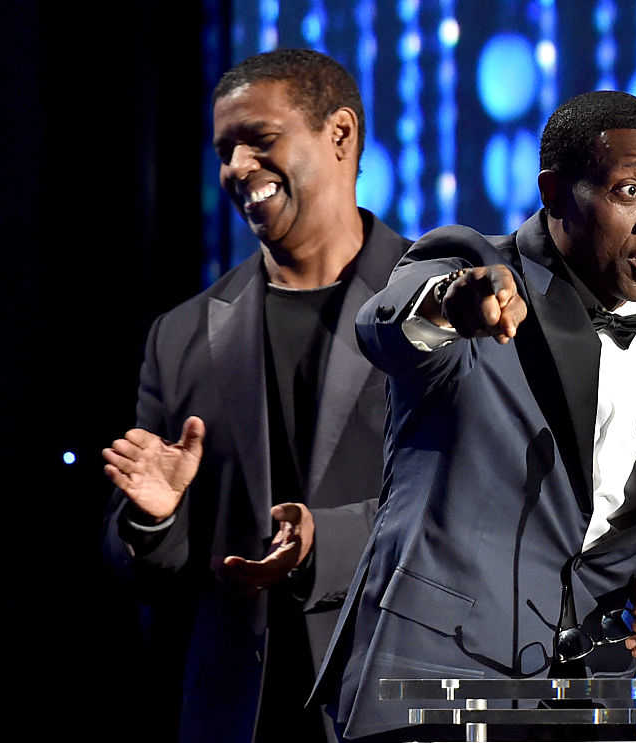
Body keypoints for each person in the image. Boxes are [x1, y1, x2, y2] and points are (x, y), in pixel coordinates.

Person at [311, 90, 636, 741]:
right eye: (628, 191)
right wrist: (451, 305)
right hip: (438, 686)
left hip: (594, 699)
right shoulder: (474, 265)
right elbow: (383, 326)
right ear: (555, 192)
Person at [101, 49, 410, 743]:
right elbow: (147, 572)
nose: (238, 167)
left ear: (340, 135)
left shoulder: (442, 304)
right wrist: (155, 520)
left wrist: (323, 543)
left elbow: (481, 509)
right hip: (240, 717)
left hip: (401, 708)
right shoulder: (181, 334)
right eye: (225, 149)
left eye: (261, 141)